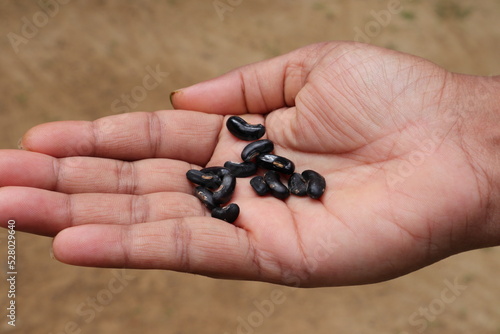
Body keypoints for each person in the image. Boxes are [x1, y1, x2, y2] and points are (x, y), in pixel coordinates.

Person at [1, 41, 499, 287]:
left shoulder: (265, 169)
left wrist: (467, 138)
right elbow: (246, 172)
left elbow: (264, 171)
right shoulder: (247, 169)